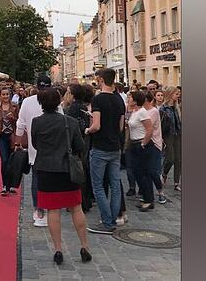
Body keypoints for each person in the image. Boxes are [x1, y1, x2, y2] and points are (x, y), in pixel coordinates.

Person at [30, 88, 92, 265]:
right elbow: (80, 146)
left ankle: (58, 250)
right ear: (59, 101)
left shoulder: (37, 122)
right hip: (67, 171)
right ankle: (84, 246)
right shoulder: (70, 122)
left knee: (53, 211)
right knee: (76, 208)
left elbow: (35, 144)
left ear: (41, 103)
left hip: (46, 170)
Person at [14, 76, 62, 227]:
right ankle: (50, 209)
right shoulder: (55, 101)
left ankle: (39, 211)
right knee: (51, 178)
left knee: (36, 179)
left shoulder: (27, 101)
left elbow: (20, 124)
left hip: (35, 147)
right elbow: (62, 122)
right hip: (54, 148)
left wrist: (17, 142)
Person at [84, 68, 125, 235]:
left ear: (101, 80)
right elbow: (121, 127)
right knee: (115, 185)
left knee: (98, 186)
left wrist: (87, 130)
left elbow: (96, 125)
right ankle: (113, 219)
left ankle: (107, 222)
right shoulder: (119, 99)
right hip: (115, 147)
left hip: (100, 147)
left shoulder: (98, 99)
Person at [134, 89, 165, 210]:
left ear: (146, 100)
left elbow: (146, 126)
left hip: (154, 143)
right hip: (145, 143)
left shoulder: (153, 111)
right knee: (145, 171)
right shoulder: (141, 111)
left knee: (152, 171)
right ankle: (147, 196)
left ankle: (160, 192)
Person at [67, 83, 94, 212]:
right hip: (84, 140)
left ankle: (79, 201)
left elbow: (72, 127)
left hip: (76, 143)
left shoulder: (73, 108)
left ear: (73, 95)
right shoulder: (83, 107)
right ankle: (86, 201)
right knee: (84, 171)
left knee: (76, 172)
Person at [0, 87, 19, 195]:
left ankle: (10, 185)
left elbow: (19, 121)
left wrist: (13, 118)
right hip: (1, 136)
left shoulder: (15, 106)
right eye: (3, 94)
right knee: (4, 160)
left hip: (12, 136)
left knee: (11, 161)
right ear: (0, 95)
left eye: (7, 94)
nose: (5, 96)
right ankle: (5, 185)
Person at [161, 86, 182, 192]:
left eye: (178, 94)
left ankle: (176, 182)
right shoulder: (163, 108)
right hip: (168, 135)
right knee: (170, 158)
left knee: (179, 159)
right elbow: (160, 124)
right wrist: (160, 137)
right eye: (176, 94)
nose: (178, 95)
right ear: (170, 94)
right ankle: (164, 173)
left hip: (178, 134)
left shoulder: (177, 107)